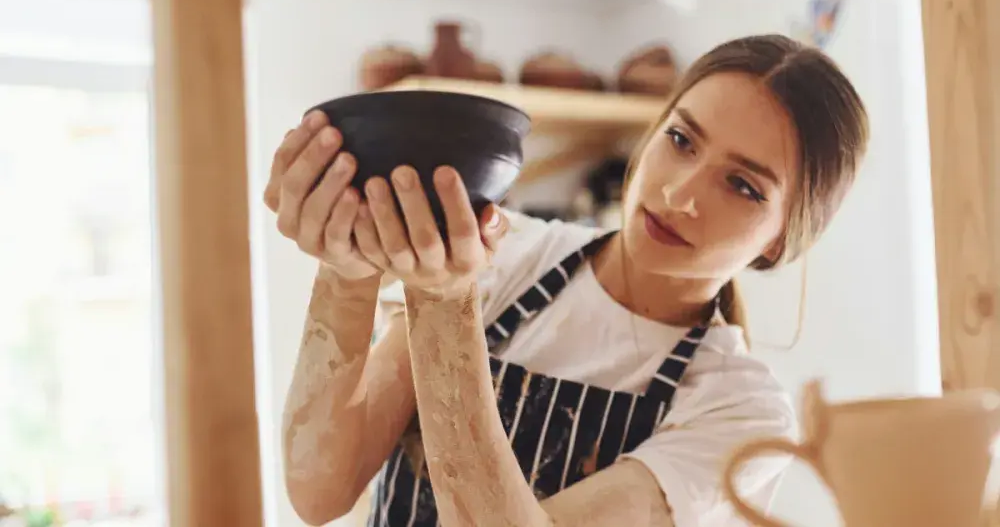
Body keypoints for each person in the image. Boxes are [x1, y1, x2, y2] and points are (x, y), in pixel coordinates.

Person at [264, 34, 869, 527]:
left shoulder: (743, 414)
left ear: (781, 241)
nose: (679, 193)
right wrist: (346, 276)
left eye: (743, 185)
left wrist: (448, 304)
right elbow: (319, 490)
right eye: (681, 140)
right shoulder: (510, 253)